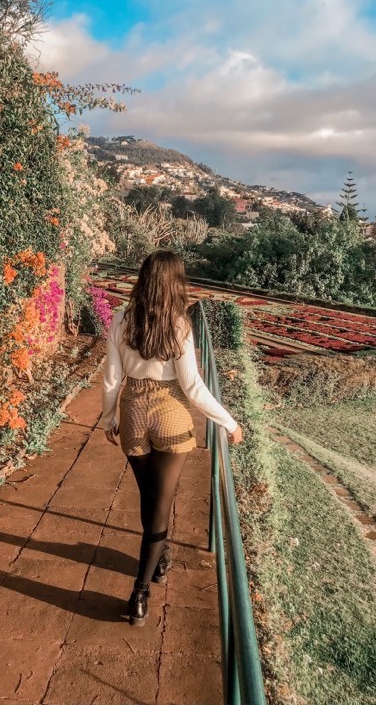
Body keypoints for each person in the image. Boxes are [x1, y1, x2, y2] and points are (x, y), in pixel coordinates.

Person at [101, 250, 243, 626]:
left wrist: (108, 418)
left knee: (148, 495)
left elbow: (112, 379)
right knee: (161, 503)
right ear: (174, 283)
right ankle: (140, 592)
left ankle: (158, 559)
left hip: (133, 413)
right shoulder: (179, 326)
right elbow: (193, 387)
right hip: (170, 415)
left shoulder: (120, 321)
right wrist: (228, 423)